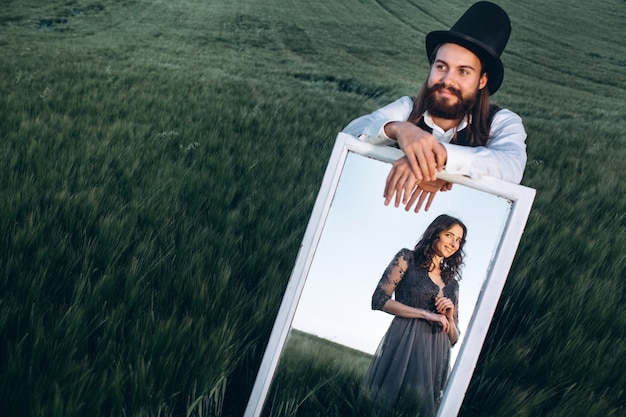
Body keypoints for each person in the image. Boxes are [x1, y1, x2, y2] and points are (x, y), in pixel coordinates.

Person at [342, 2, 527, 212]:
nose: (448, 80)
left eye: (463, 71)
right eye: (441, 67)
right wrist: (399, 129)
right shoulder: (407, 108)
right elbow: (349, 136)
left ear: (482, 80)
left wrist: (439, 162)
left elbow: (512, 166)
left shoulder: (501, 121)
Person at [361, 214, 466, 417]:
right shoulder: (407, 258)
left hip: (437, 354)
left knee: (420, 410)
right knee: (388, 405)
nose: (454, 243)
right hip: (405, 342)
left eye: (459, 240)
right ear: (435, 234)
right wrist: (426, 314)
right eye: (449, 235)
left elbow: (453, 339)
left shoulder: (453, 283)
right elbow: (379, 300)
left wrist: (450, 318)